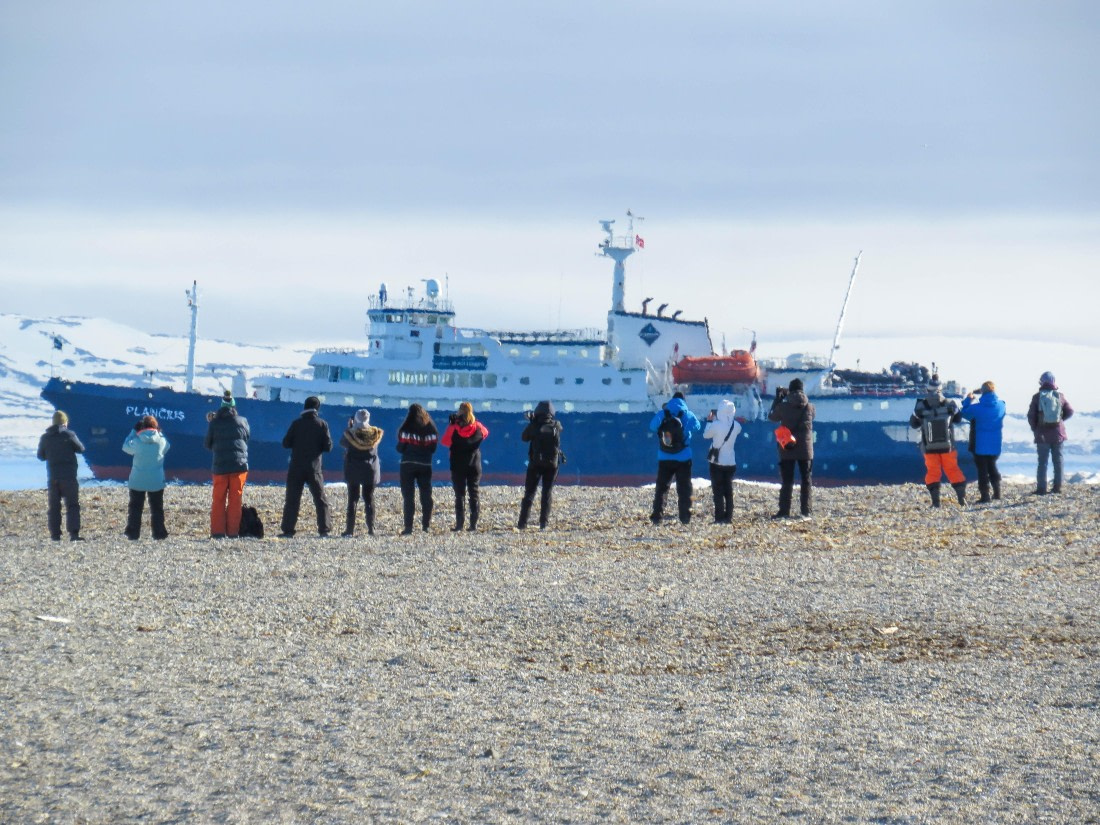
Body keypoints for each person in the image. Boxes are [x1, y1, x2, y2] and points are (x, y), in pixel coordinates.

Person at [279, 396, 333, 537]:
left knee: (292, 499)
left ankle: (288, 530)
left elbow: (286, 443)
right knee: (320, 499)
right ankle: (324, 529)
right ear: (317, 408)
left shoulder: (296, 424)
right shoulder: (322, 424)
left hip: (296, 467)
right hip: (314, 467)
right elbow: (328, 447)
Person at [909, 375, 966, 508]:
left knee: (933, 472)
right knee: (953, 470)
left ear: (927, 389)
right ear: (941, 389)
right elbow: (958, 420)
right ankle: (961, 500)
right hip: (948, 446)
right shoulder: (950, 403)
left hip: (929, 447)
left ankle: (935, 502)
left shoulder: (920, 405)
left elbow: (913, 424)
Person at [648, 391, 701, 525]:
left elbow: (652, 426)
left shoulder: (663, 413)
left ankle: (657, 516)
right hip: (683, 457)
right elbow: (697, 427)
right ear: (683, 400)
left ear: (672, 400)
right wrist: (685, 429)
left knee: (662, 487)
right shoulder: (687, 414)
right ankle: (685, 517)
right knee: (684, 488)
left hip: (664, 456)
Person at [204, 390, 250, 538]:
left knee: (218, 499)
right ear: (234, 407)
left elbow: (207, 443)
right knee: (235, 500)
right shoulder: (243, 421)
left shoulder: (214, 423)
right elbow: (246, 438)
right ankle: (233, 533)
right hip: (239, 465)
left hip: (220, 466)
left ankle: (218, 532)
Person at [768, 379, 815, 519]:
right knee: (806, 480)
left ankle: (784, 511)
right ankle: (806, 511)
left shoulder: (783, 407)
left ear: (790, 390)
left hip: (788, 448)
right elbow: (812, 417)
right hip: (806, 449)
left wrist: (778, 399)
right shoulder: (810, 407)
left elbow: (772, 417)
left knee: (787, 481)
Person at [441, 401, 490, 531]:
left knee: (460, 494)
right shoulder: (478, 426)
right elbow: (486, 433)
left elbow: (445, 441)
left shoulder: (454, 428)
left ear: (460, 412)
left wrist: (452, 424)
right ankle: (473, 525)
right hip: (474, 464)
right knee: (474, 493)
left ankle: (459, 525)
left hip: (458, 465)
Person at [37, 410, 85, 541]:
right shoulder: (69, 435)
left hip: (53, 477)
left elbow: (40, 456)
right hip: (68, 476)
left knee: (54, 507)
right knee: (72, 505)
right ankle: (73, 534)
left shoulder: (45, 437)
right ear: (64, 423)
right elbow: (81, 449)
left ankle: (55, 535)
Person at [121, 415, 170, 540]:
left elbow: (125, 447)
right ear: (156, 427)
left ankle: (133, 533)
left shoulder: (137, 441)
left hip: (137, 479)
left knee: (135, 508)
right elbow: (167, 446)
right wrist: (159, 432)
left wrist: (133, 432)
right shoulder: (161, 441)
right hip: (156, 480)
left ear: (141, 427)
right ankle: (159, 533)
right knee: (157, 508)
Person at [1026, 371, 1075, 495]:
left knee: (1042, 462)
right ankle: (1058, 488)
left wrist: (1035, 428)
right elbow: (1070, 411)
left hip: (1042, 434)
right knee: (1058, 461)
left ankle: (1041, 489)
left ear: (1042, 382)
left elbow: (1031, 416)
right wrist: (1060, 421)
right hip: (1058, 434)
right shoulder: (1060, 396)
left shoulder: (1037, 397)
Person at [518, 400, 563, 530]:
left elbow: (524, 437)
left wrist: (532, 422)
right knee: (547, 493)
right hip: (552, 464)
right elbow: (560, 429)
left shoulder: (534, 426)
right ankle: (543, 524)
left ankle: (522, 524)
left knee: (529, 493)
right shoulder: (556, 425)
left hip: (535, 464)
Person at [396, 403, 438, 534]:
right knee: (426, 495)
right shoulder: (430, 428)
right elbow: (433, 448)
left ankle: (408, 527)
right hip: (425, 464)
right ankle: (426, 525)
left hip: (408, 464)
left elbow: (400, 448)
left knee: (408, 496)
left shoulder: (406, 428)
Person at [960, 381, 1006, 503]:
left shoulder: (977, 408)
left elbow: (964, 413)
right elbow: (1002, 405)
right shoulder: (1001, 406)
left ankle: (985, 495)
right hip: (995, 443)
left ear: (982, 392)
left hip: (980, 443)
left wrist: (968, 400)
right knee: (992, 466)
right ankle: (997, 492)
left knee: (982, 470)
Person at [340, 409, 383, 536]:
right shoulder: (375, 433)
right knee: (369, 498)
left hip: (353, 468)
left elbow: (343, 442)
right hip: (370, 469)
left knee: (353, 499)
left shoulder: (350, 433)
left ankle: (349, 530)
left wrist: (350, 427)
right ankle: (371, 529)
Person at [703, 399, 742, 523]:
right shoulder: (736, 425)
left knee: (718, 491)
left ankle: (719, 517)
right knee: (728, 491)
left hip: (717, 461)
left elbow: (706, 435)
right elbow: (738, 429)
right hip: (731, 462)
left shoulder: (716, 425)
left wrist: (709, 421)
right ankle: (728, 517)